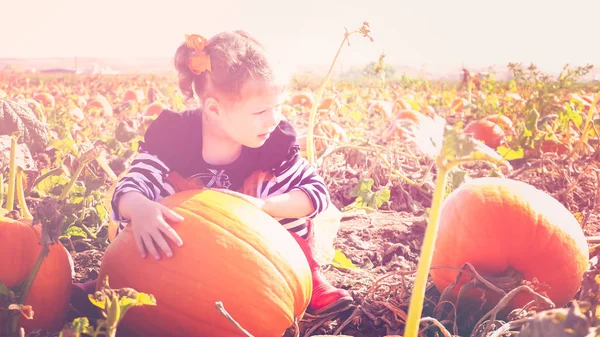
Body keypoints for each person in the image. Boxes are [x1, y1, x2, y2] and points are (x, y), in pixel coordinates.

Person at [71, 30, 353, 317]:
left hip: (249, 253)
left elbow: (315, 192)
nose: (274, 119)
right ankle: (118, 283)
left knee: (282, 196)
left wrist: (262, 206)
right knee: (151, 203)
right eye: (260, 112)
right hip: (182, 251)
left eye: (277, 107)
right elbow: (128, 188)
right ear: (215, 109)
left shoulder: (273, 143)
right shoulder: (173, 137)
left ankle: (308, 281)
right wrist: (141, 208)